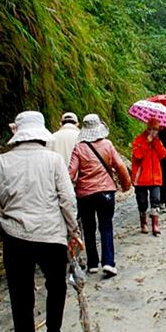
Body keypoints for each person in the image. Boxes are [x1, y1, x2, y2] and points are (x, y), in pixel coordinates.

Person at [0, 111, 81, 332]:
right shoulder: (54, 160)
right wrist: (73, 231)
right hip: (51, 235)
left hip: (15, 238)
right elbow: (67, 199)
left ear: (19, 134)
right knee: (57, 287)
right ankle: (53, 331)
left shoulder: (3, 162)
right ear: (41, 133)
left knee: (20, 295)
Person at [69, 114, 131, 277]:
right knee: (106, 226)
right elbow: (120, 166)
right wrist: (126, 185)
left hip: (85, 195)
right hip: (106, 193)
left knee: (89, 228)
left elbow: (70, 173)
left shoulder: (79, 148)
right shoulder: (107, 145)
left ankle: (92, 264)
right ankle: (109, 263)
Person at [132, 118, 166, 236]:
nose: (155, 132)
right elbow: (137, 155)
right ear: (148, 128)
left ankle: (155, 224)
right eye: (153, 129)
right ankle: (143, 222)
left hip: (155, 177)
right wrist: (147, 142)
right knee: (142, 202)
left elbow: (163, 154)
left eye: (157, 130)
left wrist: (156, 142)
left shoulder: (157, 141)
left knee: (156, 200)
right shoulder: (139, 139)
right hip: (141, 178)